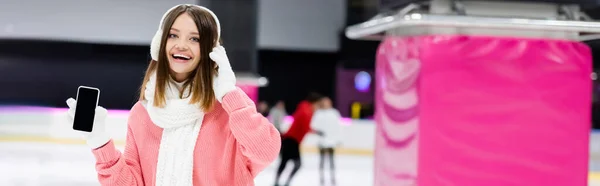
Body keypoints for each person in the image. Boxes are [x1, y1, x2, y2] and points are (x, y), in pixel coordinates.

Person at [64, 4, 281, 186]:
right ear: (160, 43)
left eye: (195, 39)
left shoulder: (227, 110)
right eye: (173, 35)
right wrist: (99, 141)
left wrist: (229, 94)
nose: (181, 45)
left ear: (210, 50)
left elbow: (265, 151)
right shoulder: (143, 113)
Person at [274, 92, 323, 186]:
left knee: (285, 162)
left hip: (290, 139)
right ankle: (284, 182)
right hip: (292, 141)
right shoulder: (307, 112)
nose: (318, 108)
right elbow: (306, 128)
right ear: (314, 103)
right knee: (296, 164)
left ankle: (278, 182)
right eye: (318, 105)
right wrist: (317, 132)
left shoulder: (304, 108)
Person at [310, 97, 342, 186]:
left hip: (331, 141)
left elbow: (338, 127)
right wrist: (318, 133)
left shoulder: (334, 113)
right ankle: (322, 178)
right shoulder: (319, 113)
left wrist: (338, 139)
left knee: (332, 161)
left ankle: (332, 178)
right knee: (322, 161)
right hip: (322, 141)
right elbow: (313, 125)